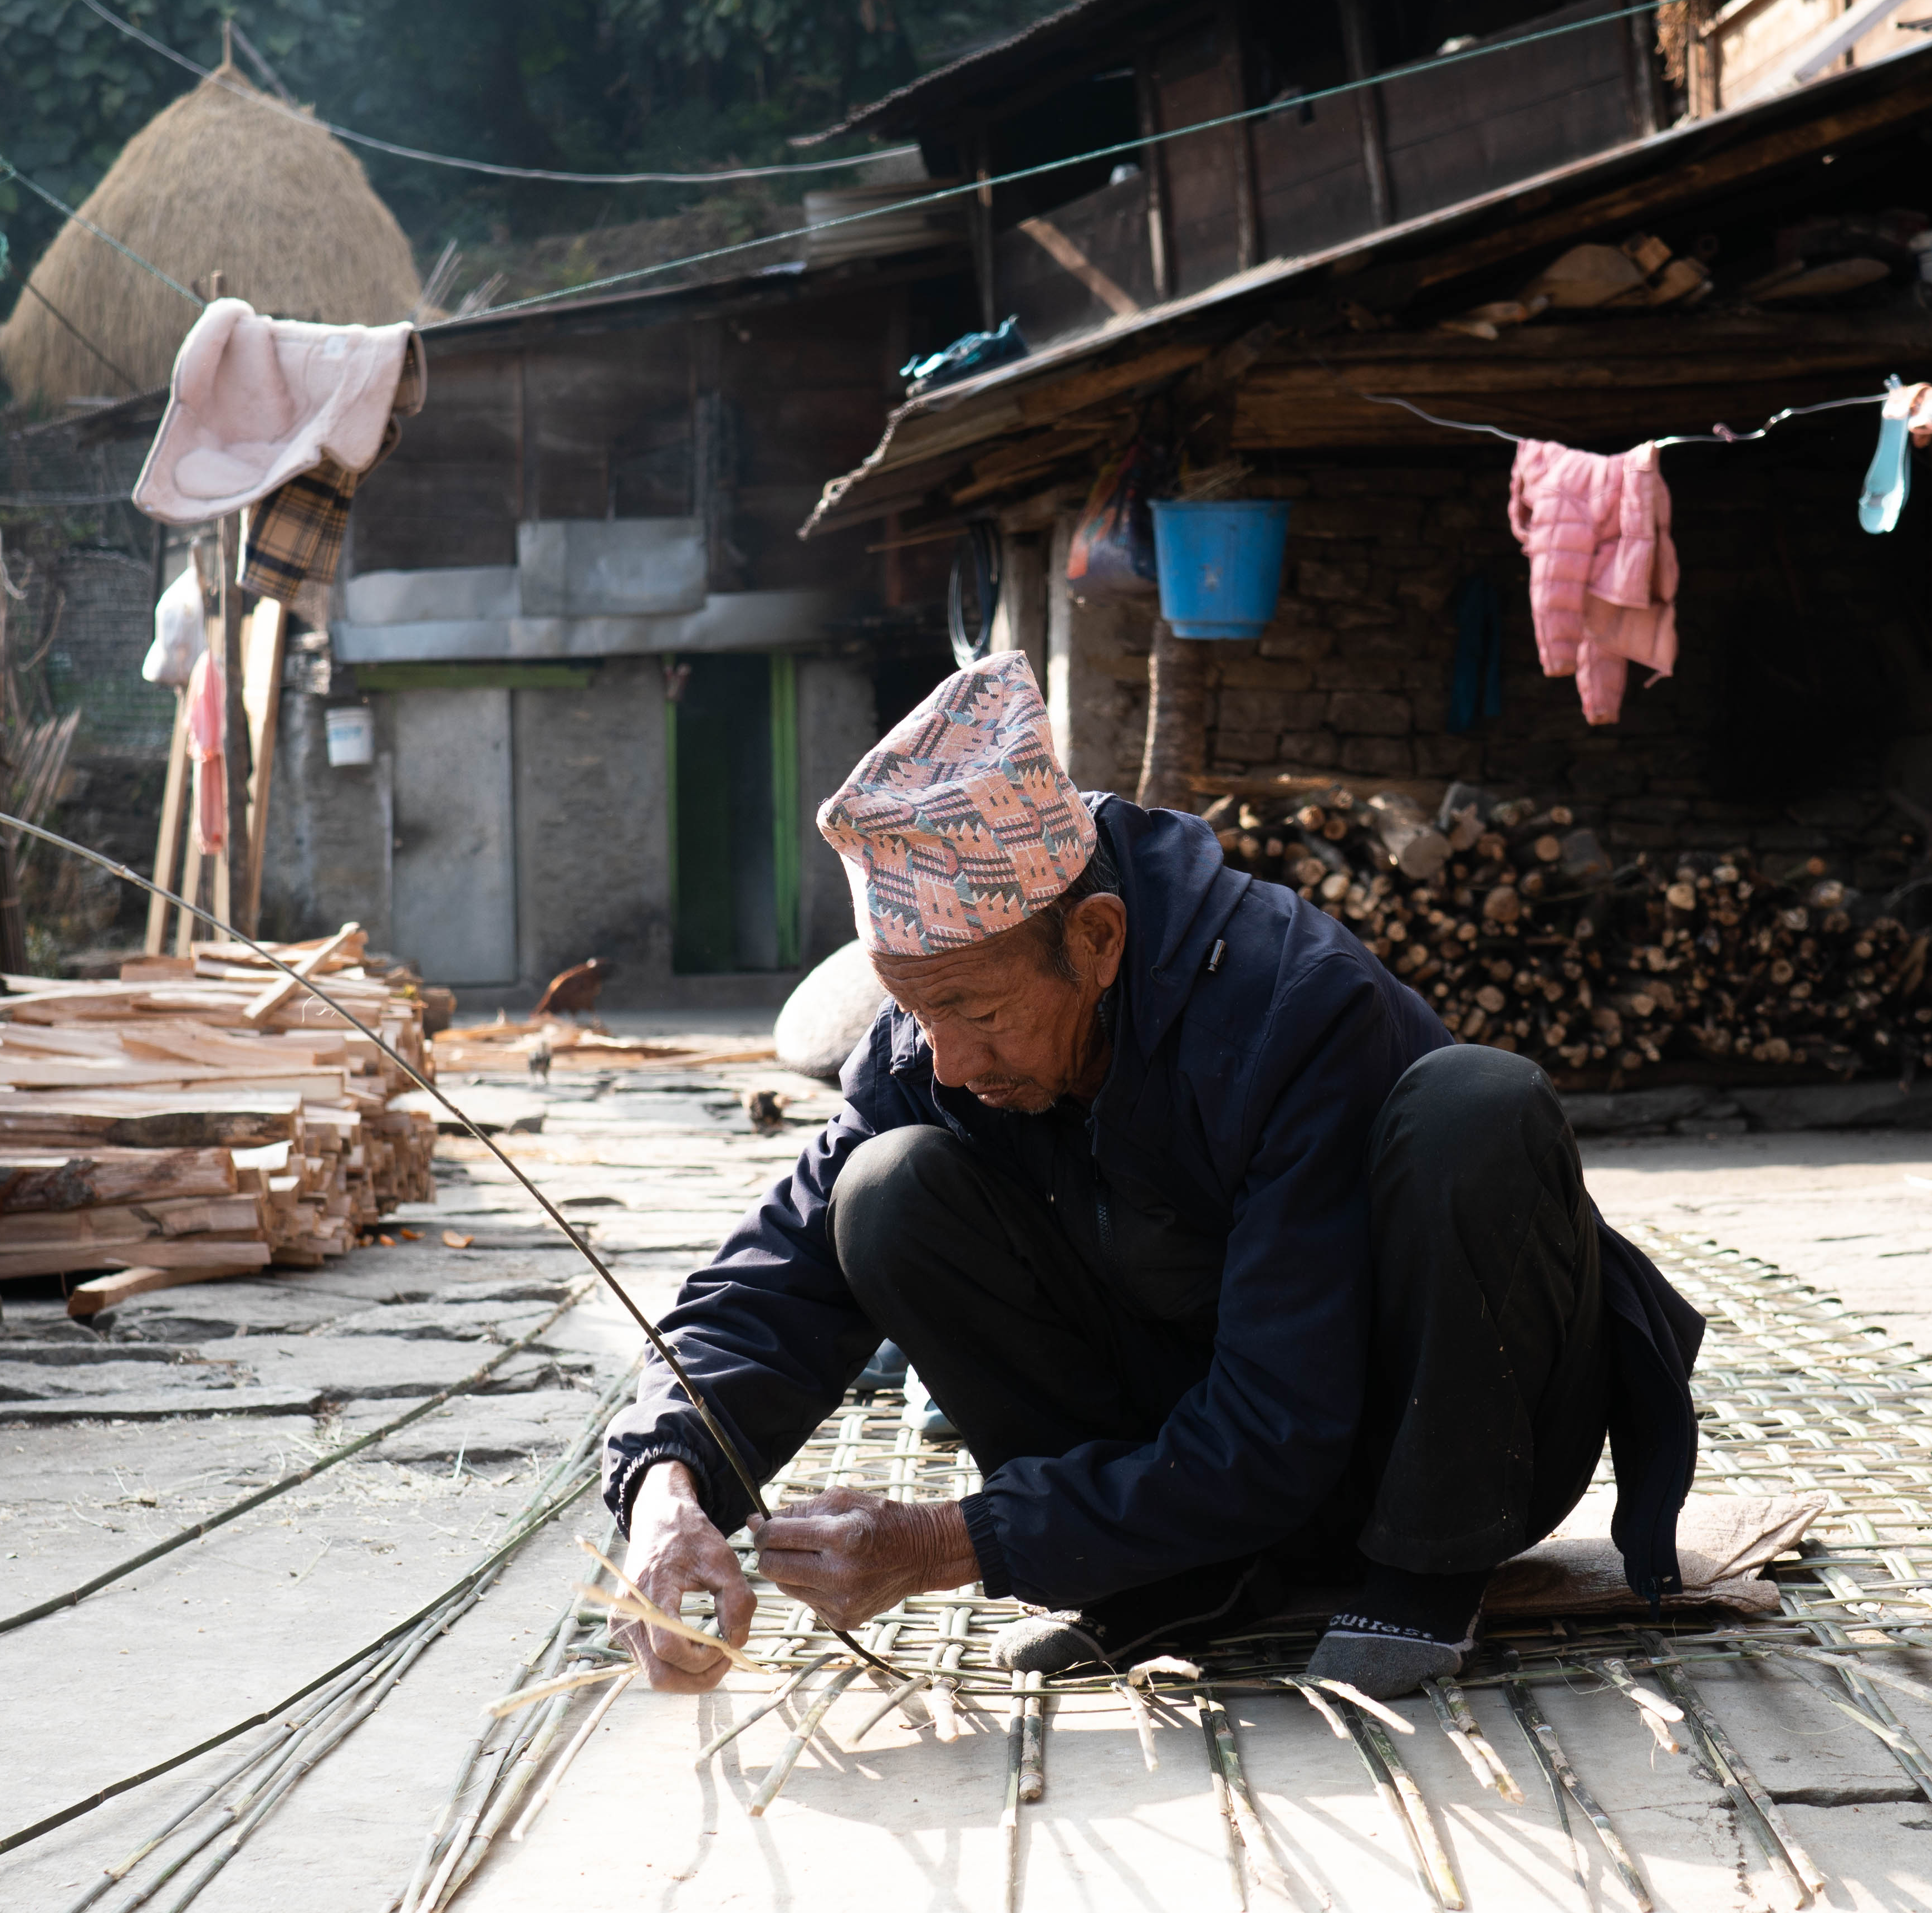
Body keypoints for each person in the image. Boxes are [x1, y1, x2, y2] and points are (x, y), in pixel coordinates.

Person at [605, 653, 1703, 1701]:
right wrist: (668, 1487)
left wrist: (953, 1540)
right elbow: (764, 1292)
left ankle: (1425, 1572)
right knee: (886, 1188)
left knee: (1476, 1102)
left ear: (1094, 938)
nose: (946, 1059)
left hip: (1429, 1433)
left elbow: (1282, 1416)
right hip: (1217, 1461)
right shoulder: (931, 1049)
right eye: (916, 1010)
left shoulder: (1289, 1008)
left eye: (978, 1012)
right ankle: (1176, 1579)